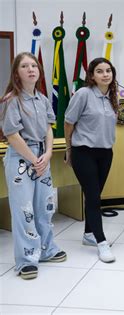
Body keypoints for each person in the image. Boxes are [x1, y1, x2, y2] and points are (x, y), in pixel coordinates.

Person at [1, 52, 66, 279]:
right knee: (24, 211)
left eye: (34, 66)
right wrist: (34, 159)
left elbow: (49, 129)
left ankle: (47, 249)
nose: (31, 69)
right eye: (25, 66)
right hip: (21, 157)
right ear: (17, 73)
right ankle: (26, 260)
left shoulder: (43, 99)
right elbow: (12, 135)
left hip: (41, 157)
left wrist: (47, 154)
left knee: (44, 206)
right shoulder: (11, 100)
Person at [64, 57, 118, 263]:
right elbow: (69, 123)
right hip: (83, 151)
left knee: (93, 195)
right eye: (100, 71)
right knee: (94, 197)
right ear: (92, 76)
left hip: (105, 153)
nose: (105, 74)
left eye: (108, 71)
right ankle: (101, 242)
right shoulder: (83, 94)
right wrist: (69, 148)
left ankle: (89, 235)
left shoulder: (113, 97)